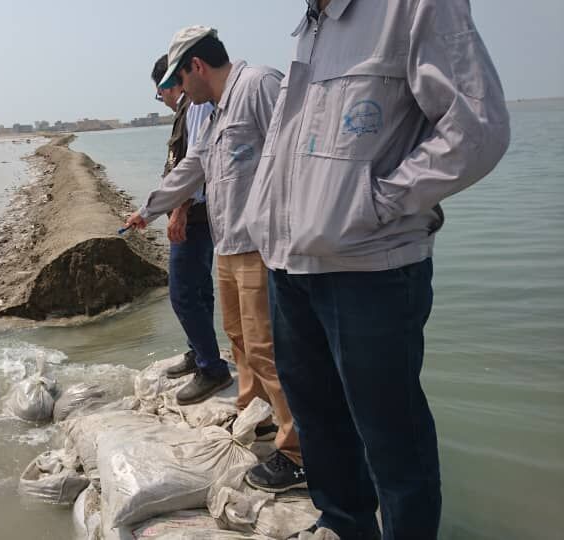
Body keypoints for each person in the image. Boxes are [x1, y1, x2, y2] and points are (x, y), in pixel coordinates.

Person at [242, 1, 511, 537]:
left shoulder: (409, 7)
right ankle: (343, 525)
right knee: (321, 425)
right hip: (291, 266)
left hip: (371, 268)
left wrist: (378, 202)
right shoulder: (314, 23)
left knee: (393, 440)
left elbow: (477, 128)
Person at [125, 26, 305, 491]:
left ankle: (298, 451)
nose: (180, 92)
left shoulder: (260, 86)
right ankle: (256, 416)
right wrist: (148, 210)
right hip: (228, 245)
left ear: (196, 67)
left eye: (181, 82)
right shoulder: (216, 112)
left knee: (269, 349)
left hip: (261, 246)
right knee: (240, 340)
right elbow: (194, 168)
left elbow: (298, 153)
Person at [149, 54, 224, 399]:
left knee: (182, 294)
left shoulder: (194, 107)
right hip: (196, 214)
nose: (161, 100)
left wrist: (178, 211)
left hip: (192, 216)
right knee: (199, 291)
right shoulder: (188, 109)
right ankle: (200, 352)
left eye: (159, 92)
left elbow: (196, 163)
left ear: (170, 84)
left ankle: (211, 367)